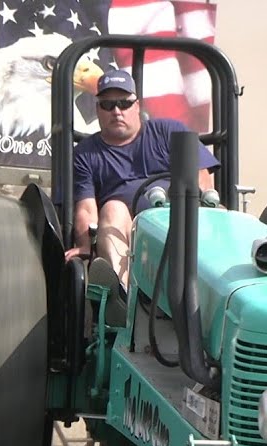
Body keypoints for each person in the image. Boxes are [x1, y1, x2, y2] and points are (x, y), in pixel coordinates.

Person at [65, 69, 220, 293]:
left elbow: (202, 183)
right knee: (112, 208)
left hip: (179, 225)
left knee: (220, 215)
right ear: (98, 109)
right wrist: (83, 244)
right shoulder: (85, 153)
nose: (117, 111)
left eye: (124, 103)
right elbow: (86, 208)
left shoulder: (170, 132)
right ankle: (127, 302)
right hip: (128, 236)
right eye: (108, 105)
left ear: (137, 106)